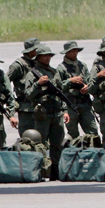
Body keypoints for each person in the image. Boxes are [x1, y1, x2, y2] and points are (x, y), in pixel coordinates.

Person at [24, 45, 70, 180]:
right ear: (38, 57)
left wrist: (65, 110)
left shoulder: (55, 72)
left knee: (57, 144)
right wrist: (38, 84)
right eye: (45, 55)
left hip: (57, 113)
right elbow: (28, 94)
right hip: (42, 114)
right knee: (41, 144)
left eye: (49, 55)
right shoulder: (32, 74)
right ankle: (42, 171)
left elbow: (61, 93)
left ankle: (55, 173)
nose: (48, 58)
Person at [55, 41, 98, 139]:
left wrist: (87, 87)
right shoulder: (61, 68)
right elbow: (58, 87)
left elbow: (89, 81)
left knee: (93, 132)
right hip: (70, 106)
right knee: (73, 134)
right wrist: (70, 81)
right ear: (66, 53)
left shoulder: (82, 66)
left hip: (85, 104)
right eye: (72, 51)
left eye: (76, 51)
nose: (75, 53)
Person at [7, 38, 40, 135]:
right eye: (35, 49)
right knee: (27, 137)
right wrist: (12, 102)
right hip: (26, 108)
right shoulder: (18, 65)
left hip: (39, 107)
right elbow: (5, 83)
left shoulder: (38, 63)